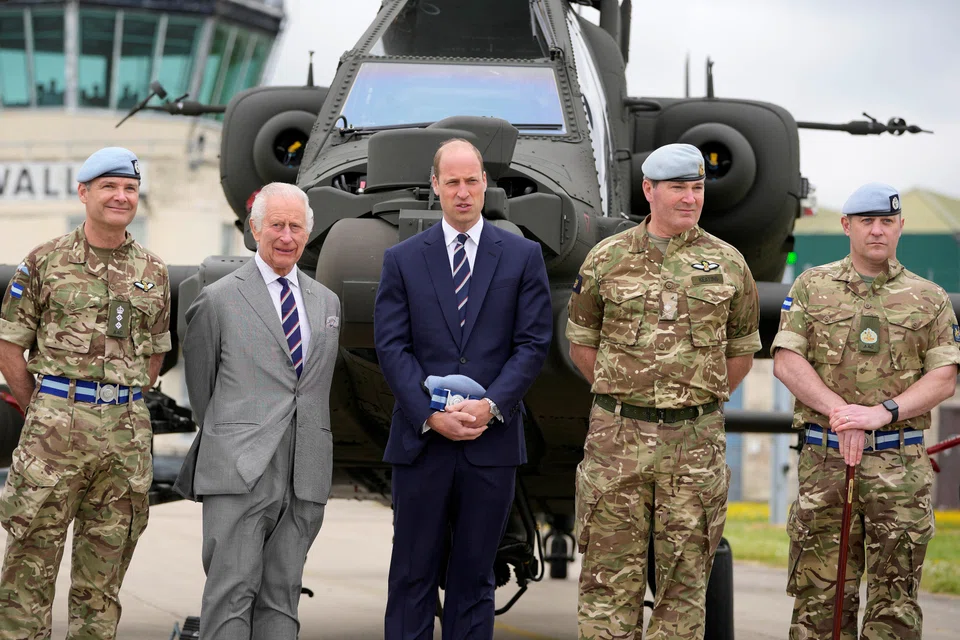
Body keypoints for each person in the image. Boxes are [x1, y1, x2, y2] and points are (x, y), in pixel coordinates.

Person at [567, 142, 761, 639]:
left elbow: (741, 350)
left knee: (685, 587)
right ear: (649, 189)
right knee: (609, 584)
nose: (690, 198)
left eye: (697, 188)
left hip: (694, 445)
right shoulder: (607, 259)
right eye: (678, 188)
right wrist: (628, 398)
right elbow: (582, 344)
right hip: (617, 443)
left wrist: (691, 400)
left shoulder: (729, 263)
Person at [374, 138, 552, 639]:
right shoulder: (402, 260)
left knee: (475, 577)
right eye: (451, 181)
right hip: (422, 442)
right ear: (435, 187)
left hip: (489, 444)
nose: (463, 191)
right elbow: (392, 347)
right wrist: (430, 413)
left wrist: (490, 405)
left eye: (471, 180)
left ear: (485, 184)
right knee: (412, 573)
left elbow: (532, 344)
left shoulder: (521, 256)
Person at [772, 182, 959, 639]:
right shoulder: (812, 287)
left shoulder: (930, 298)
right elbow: (786, 361)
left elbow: (944, 376)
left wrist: (882, 413)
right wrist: (842, 412)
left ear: (900, 227)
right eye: (866, 222)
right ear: (846, 226)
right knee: (820, 597)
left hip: (899, 465)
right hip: (827, 461)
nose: (877, 231)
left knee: (895, 601)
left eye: (887, 222)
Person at [0, 147, 170, 639]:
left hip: (124, 438)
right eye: (109, 187)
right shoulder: (45, 262)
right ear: (84, 193)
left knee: (103, 579)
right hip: (53, 434)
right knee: (28, 570)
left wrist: (122, 397)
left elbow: (155, 353)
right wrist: (44, 406)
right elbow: (9, 346)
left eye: (130, 189)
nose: (121, 196)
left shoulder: (153, 270)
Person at [173, 182, 340, 640]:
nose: (286, 236)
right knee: (230, 594)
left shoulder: (327, 302)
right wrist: (235, 435)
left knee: (282, 597)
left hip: (303, 469)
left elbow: (311, 387)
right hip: (239, 466)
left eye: (296, 226)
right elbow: (202, 389)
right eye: (276, 225)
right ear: (254, 229)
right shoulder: (219, 298)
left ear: (308, 232)